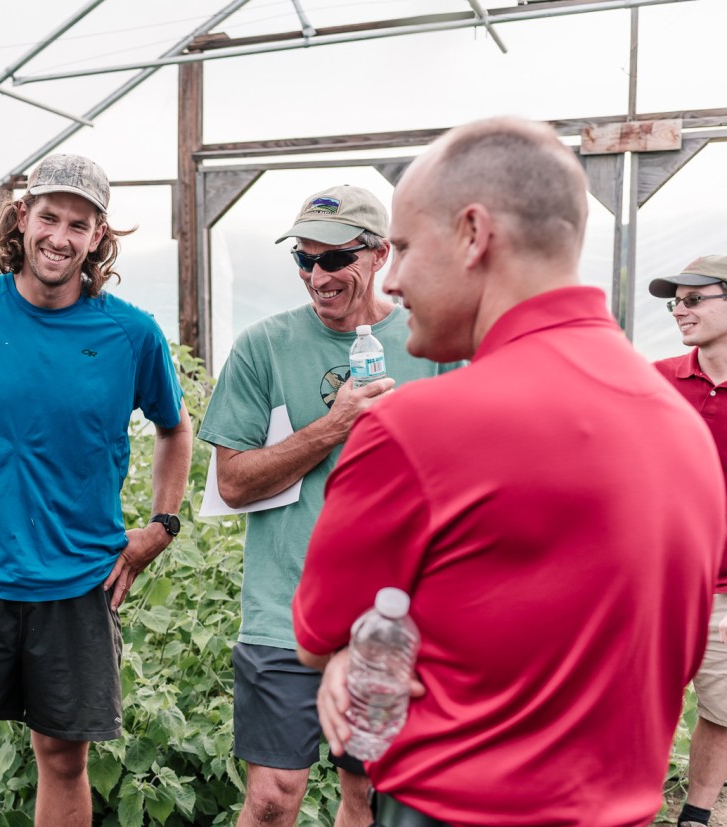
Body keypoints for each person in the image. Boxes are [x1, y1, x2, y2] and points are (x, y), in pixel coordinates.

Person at [293, 117, 726, 827]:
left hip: (453, 808)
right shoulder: (681, 425)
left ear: (473, 232)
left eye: (401, 247)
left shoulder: (413, 428)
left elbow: (315, 636)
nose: (392, 279)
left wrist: (350, 655)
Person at [0, 153, 193, 827]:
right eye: (50, 216)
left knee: (62, 758)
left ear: (98, 238)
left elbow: (175, 429)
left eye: (79, 224)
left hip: (79, 582)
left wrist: (161, 526)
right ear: (22, 218)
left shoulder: (130, 333)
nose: (61, 235)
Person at [198, 184, 455, 827]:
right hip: (283, 609)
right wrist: (330, 428)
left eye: (334, 260)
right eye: (304, 260)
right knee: (270, 796)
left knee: (365, 793)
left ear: (377, 256)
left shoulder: (431, 346)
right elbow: (232, 483)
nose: (317, 276)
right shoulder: (263, 346)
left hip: (391, 615)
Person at [649, 256, 727, 827]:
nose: (680, 308)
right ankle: (627, 805)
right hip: (660, 585)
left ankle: (694, 817)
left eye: (695, 298)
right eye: (675, 299)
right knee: (640, 709)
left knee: (723, 714)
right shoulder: (654, 380)